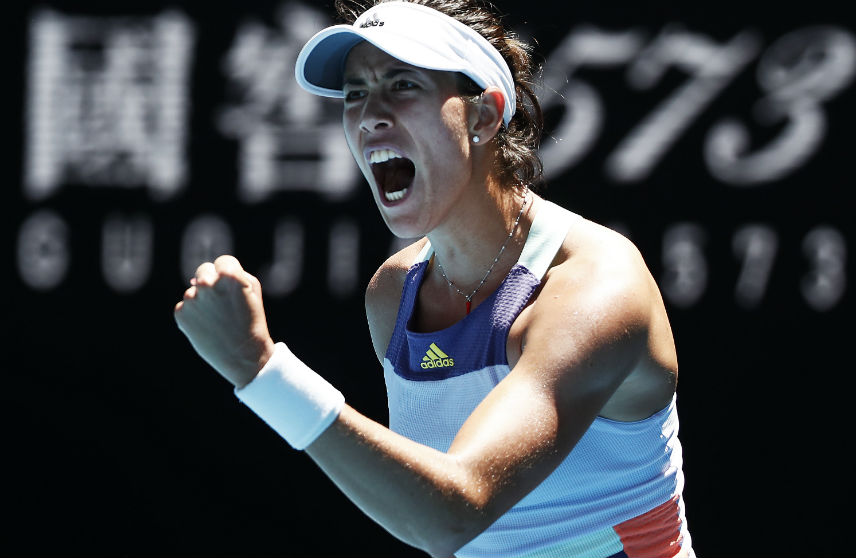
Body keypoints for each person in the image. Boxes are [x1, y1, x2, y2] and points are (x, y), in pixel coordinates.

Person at [174, 0, 693, 556]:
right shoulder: (393, 296)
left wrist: (261, 371)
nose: (370, 114)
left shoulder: (595, 286)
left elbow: (452, 514)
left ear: (483, 117)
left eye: (402, 85)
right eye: (355, 93)